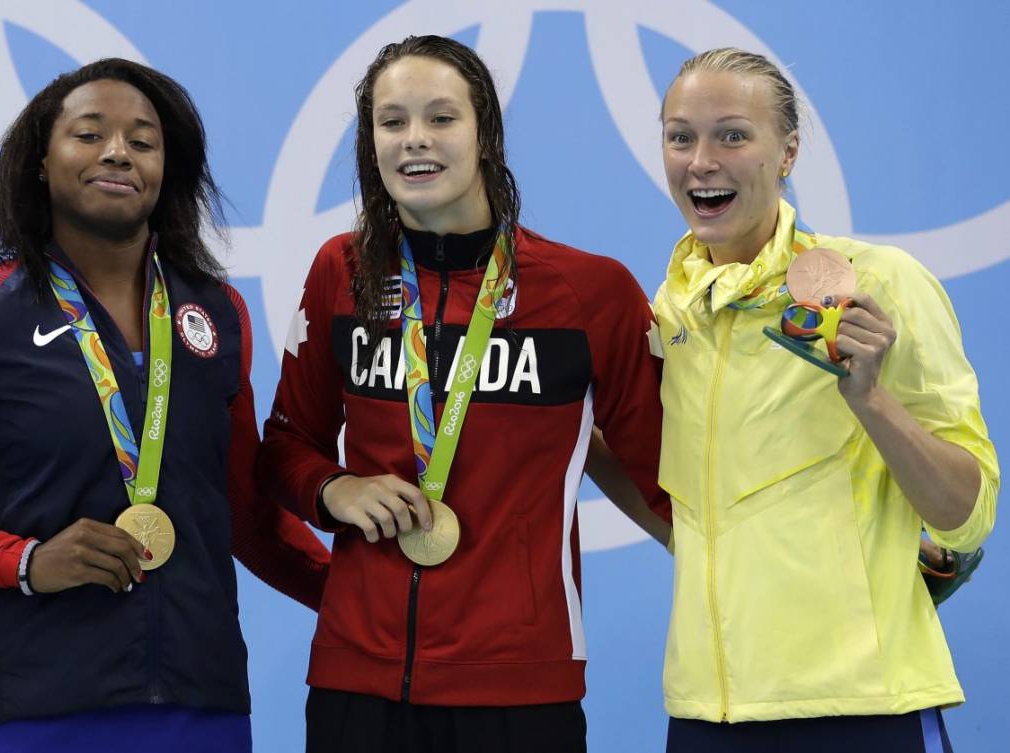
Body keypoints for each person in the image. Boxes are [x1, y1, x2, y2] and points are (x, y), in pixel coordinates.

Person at [0, 58, 329, 752]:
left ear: (167, 168)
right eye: (89, 134)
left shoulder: (217, 314)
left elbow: (244, 512)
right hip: (40, 711)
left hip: (205, 708)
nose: (118, 152)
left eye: (143, 140)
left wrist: (356, 598)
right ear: (40, 161)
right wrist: (26, 561)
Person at [257, 35, 667, 753]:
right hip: (357, 681)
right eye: (392, 122)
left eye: (441, 118)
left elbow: (671, 476)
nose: (415, 140)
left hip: (519, 688)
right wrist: (333, 490)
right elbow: (287, 443)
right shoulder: (340, 272)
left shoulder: (587, 291)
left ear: (486, 135)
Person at [648, 48, 998, 752]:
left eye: (733, 135)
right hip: (704, 715)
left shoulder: (882, 282)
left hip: (862, 708)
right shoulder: (670, 314)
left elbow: (967, 515)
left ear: (789, 152)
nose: (701, 160)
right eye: (680, 136)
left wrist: (872, 400)